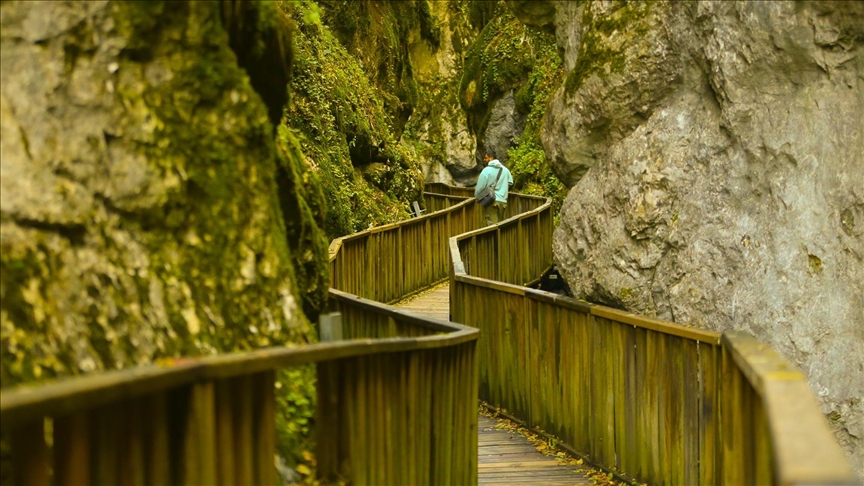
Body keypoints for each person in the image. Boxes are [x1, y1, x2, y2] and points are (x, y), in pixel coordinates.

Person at [474, 152, 513, 226]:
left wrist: (477, 197)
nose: (484, 160)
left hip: (490, 201)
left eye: (486, 158)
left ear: (491, 158)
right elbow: (510, 182)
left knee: (492, 225)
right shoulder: (505, 170)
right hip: (503, 202)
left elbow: (480, 187)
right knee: (500, 224)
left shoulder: (486, 171)